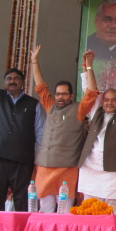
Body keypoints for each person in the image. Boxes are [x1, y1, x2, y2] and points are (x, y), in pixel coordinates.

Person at [0, 29, 45, 211]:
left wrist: (37, 161)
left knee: (23, 202)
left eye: (16, 78)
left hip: (22, 159)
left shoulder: (33, 104)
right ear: (4, 82)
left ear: (23, 82)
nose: (12, 81)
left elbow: (40, 133)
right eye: (8, 78)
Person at [30, 46, 98, 213]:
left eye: (64, 94)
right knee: (45, 210)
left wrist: (89, 66)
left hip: (67, 168)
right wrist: (34, 61)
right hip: (45, 166)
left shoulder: (79, 109)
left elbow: (91, 93)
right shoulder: (50, 106)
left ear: (71, 95)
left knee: (65, 212)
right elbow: (40, 87)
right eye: (58, 94)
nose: (60, 97)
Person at [78, 83, 116, 206]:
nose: (109, 103)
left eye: (114, 100)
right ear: (102, 102)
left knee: (114, 215)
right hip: (91, 171)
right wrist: (88, 67)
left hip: (115, 174)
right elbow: (89, 91)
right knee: (91, 213)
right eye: (106, 100)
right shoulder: (96, 113)